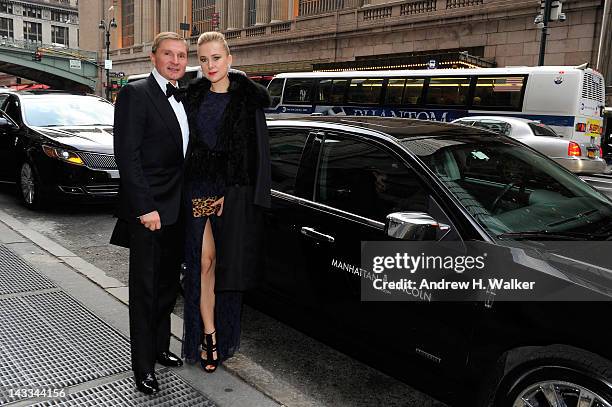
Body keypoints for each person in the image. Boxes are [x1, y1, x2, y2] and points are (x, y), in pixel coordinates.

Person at [181, 31, 271, 373]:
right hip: (197, 188)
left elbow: (259, 156)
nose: (210, 65)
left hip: (232, 193)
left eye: (216, 58)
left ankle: (222, 330)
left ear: (230, 60)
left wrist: (249, 201)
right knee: (202, 263)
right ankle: (208, 334)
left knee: (225, 268)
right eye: (203, 59)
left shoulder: (249, 102)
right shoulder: (191, 97)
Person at [110, 31, 189, 394]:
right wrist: (145, 208)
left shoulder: (185, 96)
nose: (175, 61)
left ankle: (160, 349)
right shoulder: (135, 94)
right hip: (151, 213)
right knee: (145, 291)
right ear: (153, 57)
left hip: (179, 211)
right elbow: (127, 156)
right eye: (168, 54)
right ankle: (142, 366)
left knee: (167, 288)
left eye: (182, 55)